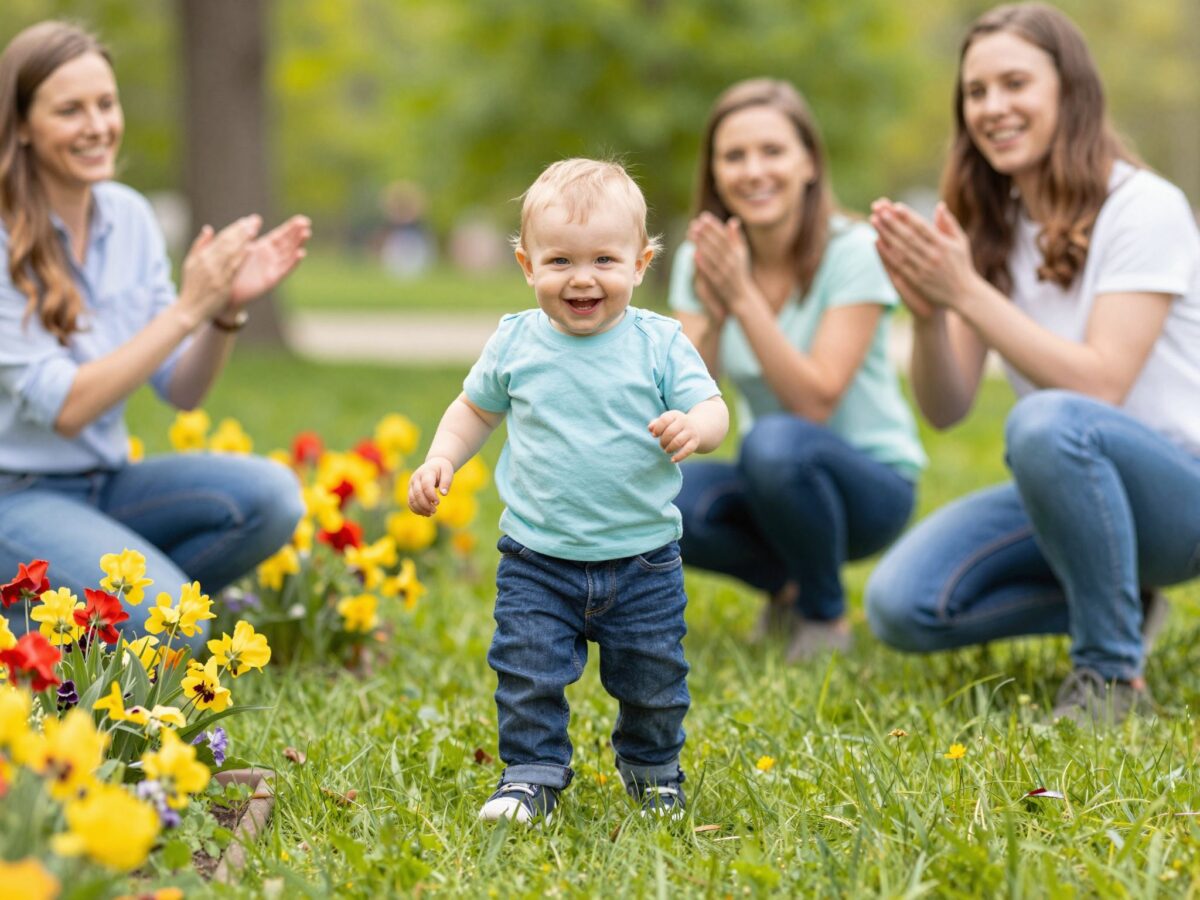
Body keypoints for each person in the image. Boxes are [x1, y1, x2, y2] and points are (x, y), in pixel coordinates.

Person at [865, 3, 1200, 724]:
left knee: (1046, 420)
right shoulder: (996, 225)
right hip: (1074, 491)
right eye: (976, 92)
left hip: (1182, 492)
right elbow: (948, 406)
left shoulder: (1144, 207)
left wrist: (966, 291)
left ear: (1069, 92)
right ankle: (1120, 599)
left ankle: (1110, 676)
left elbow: (1100, 383)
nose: (993, 107)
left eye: (1015, 83)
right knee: (903, 605)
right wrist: (928, 315)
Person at [408, 159, 728, 823]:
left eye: (605, 260)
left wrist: (694, 426)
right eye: (559, 261)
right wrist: (442, 457)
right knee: (527, 676)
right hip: (536, 559)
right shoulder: (515, 342)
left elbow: (716, 410)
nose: (582, 278)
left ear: (641, 263)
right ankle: (530, 776)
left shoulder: (660, 342)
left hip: (642, 562)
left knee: (653, 684)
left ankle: (653, 773)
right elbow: (474, 410)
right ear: (527, 265)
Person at [0, 22, 309, 652]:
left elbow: (182, 388)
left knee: (272, 498)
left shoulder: (130, 217)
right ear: (23, 125)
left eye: (105, 105)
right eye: (70, 110)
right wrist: (189, 308)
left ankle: (76, 621)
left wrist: (223, 310)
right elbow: (67, 408)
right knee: (179, 625)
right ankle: (46, 615)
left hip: (107, 485)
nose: (97, 126)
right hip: (15, 498)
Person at [668, 78, 925, 662]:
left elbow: (815, 401)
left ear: (808, 162)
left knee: (775, 440)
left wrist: (743, 298)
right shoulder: (702, 257)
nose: (753, 170)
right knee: (662, 493)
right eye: (734, 156)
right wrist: (709, 315)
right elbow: (687, 404)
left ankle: (825, 615)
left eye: (773, 151)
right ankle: (789, 588)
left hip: (870, 486)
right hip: (772, 481)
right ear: (714, 171)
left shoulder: (853, 251)